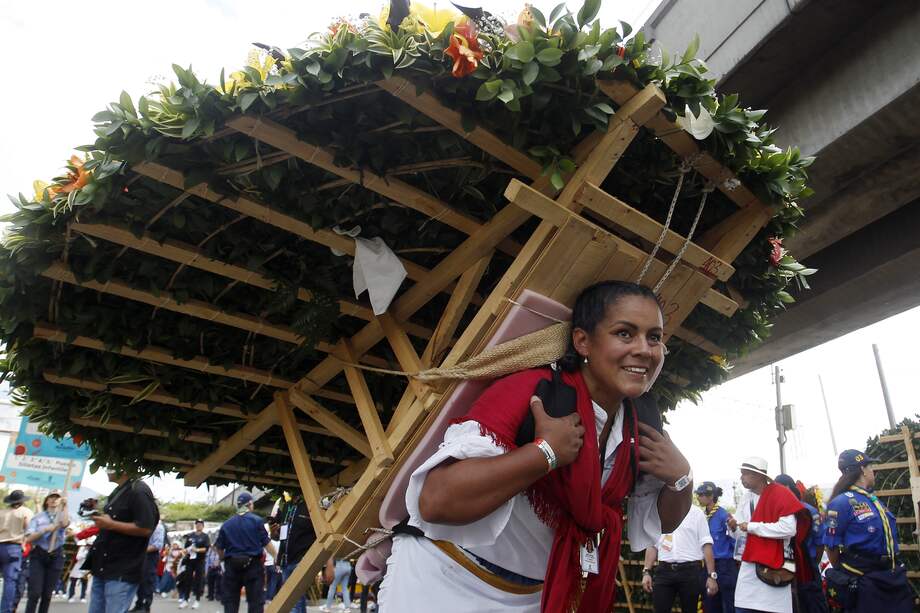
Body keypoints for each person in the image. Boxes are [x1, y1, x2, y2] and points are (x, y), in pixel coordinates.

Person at [378, 281, 694, 612]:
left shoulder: (641, 421)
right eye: (625, 334)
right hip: (441, 583)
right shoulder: (532, 392)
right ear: (583, 341)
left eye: (654, 337)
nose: (644, 349)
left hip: (535, 598)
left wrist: (682, 478)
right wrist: (542, 454)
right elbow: (435, 501)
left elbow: (664, 522)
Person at [821, 449, 913, 612]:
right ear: (862, 469)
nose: (873, 470)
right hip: (867, 580)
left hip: (891, 576)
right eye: (871, 466)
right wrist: (849, 575)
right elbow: (831, 547)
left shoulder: (872, 499)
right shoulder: (841, 503)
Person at [728, 457, 811, 613]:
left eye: (744, 474)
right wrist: (733, 528)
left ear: (758, 475)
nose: (741, 478)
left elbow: (788, 529)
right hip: (749, 564)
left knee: (772, 608)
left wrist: (752, 527)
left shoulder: (781, 494)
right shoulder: (746, 499)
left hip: (775, 564)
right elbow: (740, 533)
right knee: (743, 607)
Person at [87, 471, 160, 613]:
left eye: (111, 462)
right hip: (103, 565)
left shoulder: (138, 490)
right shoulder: (118, 491)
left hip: (121, 568)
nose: (107, 468)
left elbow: (145, 527)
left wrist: (111, 524)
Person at [641, 504, 717, 613]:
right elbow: (653, 545)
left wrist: (712, 576)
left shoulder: (696, 513)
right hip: (664, 571)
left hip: (690, 572)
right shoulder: (658, 512)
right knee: (659, 609)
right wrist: (646, 571)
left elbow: (706, 544)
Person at [772, 475, 827, 613]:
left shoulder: (808, 511)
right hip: (785, 567)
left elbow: (820, 542)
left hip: (807, 567)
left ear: (788, 488)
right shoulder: (776, 512)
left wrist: (812, 563)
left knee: (812, 604)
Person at [215, 492, 276, 613]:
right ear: (249, 504)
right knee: (255, 602)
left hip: (232, 565)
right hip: (252, 565)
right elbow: (266, 543)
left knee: (231, 602)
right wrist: (276, 557)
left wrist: (222, 560)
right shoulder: (256, 521)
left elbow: (219, 547)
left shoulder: (227, 524)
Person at [24, 492, 69, 613]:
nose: (54, 500)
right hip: (39, 554)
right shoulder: (38, 517)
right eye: (52, 497)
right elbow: (28, 538)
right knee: (35, 593)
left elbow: (65, 523)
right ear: (47, 501)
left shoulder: (61, 516)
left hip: (56, 554)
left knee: (47, 594)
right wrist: (45, 530)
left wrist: (65, 506)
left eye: (57, 498)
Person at [695, 482, 736, 613]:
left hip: (724, 566)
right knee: (710, 604)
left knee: (728, 605)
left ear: (711, 496)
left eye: (701, 495)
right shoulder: (701, 517)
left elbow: (735, 537)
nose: (698, 497)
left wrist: (733, 526)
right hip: (707, 566)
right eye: (698, 494)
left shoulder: (724, 515)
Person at [274, 495, 316, 613]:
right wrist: (273, 532)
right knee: (296, 600)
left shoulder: (311, 506)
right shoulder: (287, 506)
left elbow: (321, 534)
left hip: (301, 560)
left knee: (293, 601)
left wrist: (328, 563)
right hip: (285, 561)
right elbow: (279, 536)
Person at [0, 490, 34, 613]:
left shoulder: (2, 512)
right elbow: (30, 529)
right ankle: (5, 610)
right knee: (10, 581)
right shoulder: (26, 512)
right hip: (13, 548)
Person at [133, 520, 166, 612]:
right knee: (139, 580)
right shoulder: (141, 523)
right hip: (139, 555)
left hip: (150, 555)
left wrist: (140, 550)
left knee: (147, 580)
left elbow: (157, 545)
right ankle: (139, 604)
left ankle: (146, 605)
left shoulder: (158, 527)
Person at [180, 519, 210, 609]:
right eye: (197, 524)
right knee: (187, 579)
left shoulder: (205, 536)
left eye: (200, 524)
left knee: (198, 580)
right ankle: (185, 599)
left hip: (199, 561)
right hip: (190, 561)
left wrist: (197, 550)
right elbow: (185, 548)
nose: (199, 526)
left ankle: (197, 600)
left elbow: (206, 548)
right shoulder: (190, 536)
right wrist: (185, 551)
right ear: (195, 525)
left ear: (203, 526)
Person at [262, 522, 281, 604]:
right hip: (274, 564)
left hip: (267, 564)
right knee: (274, 581)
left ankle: (266, 597)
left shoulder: (269, 543)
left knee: (268, 582)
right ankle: (270, 597)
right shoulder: (279, 543)